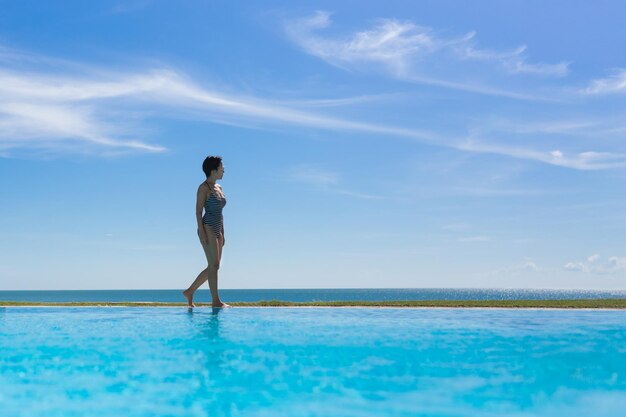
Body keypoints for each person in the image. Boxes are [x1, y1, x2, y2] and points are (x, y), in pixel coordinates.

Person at [183, 156, 230, 308]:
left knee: (214, 266)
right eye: (221, 167)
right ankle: (215, 301)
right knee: (214, 264)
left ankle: (190, 291)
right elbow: (198, 212)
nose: (224, 170)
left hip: (218, 228)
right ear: (213, 170)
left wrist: (223, 233)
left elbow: (220, 212)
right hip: (207, 227)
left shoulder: (219, 188)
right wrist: (201, 232)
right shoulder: (204, 188)